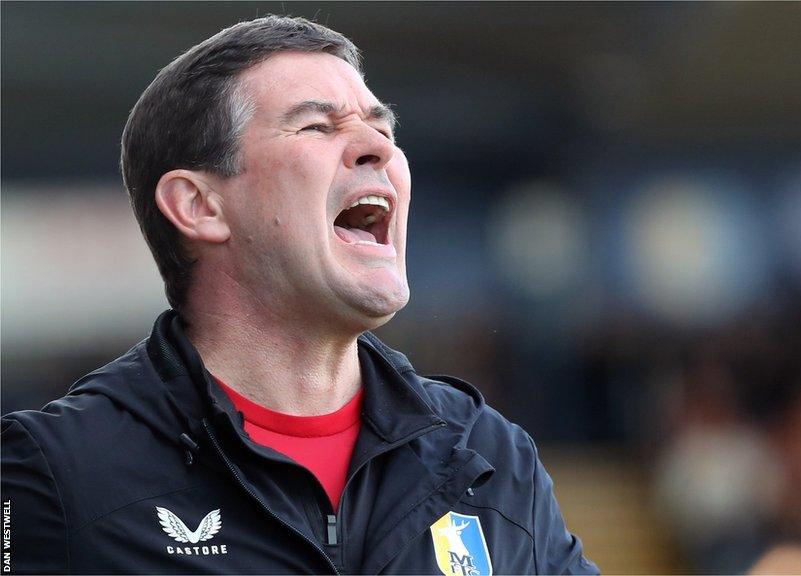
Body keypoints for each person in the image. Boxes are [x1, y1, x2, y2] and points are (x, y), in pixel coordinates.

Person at [1, 15, 598, 575]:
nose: (379, 149)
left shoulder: (488, 456)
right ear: (199, 206)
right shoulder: (55, 474)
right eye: (318, 125)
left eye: (382, 128)